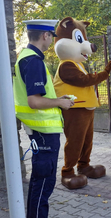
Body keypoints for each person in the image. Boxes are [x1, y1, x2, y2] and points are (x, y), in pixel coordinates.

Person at [13, 19, 74, 218]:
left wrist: (57, 99)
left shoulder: (26, 57)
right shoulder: (34, 61)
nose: (50, 43)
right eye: (51, 37)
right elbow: (34, 101)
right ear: (45, 35)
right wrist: (60, 103)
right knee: (43, 184)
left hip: (40, 132)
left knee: (40, 183)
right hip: (44, 134)